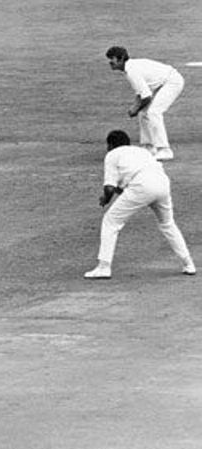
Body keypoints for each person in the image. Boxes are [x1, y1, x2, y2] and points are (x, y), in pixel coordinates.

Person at [85, 130, 195, 279]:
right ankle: (188, 264)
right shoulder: (141, 152)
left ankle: (104, 267)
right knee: (167, 224)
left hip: (141, 186)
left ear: (110, 145)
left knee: (110, 221)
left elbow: (109, 188)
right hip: (162, 183)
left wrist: (106, 199)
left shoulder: (112, 155)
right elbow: (124, 188)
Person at [105, 46, 185, 161]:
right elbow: (141, 93)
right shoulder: (129, 69)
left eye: (112, 59)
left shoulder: (131, 71)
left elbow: (146, 97)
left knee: (153, 112)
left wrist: (135, 109)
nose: (110, 63)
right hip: (162, 83)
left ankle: (164, 150)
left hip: (172, 82)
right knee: (143, 113)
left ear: (121, 58)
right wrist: (136, 107)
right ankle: (148, 147)